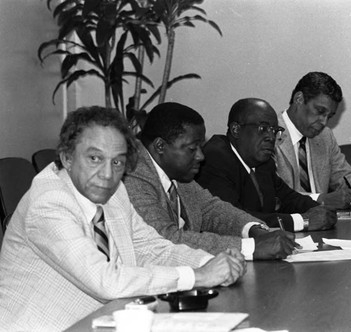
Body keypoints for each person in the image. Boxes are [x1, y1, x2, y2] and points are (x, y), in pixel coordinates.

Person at [0, 106, 246, 331]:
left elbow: (151, 248)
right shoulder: (48, 203)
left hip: (102, 321)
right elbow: (105, 280)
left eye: (117, 161)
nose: (107, 174)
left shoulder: (114, 191)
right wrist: (200, 275)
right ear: (67, 157)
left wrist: (212, 262)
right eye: (95, 158)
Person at [123, 102, 297, 260]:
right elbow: (165, 239)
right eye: (192, 148)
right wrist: (250, 247)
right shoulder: (134, 174)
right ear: (160, 146)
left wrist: (254, 230)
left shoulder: (178, 174)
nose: (200, 155)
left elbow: (211, 209)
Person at [196, 98, 337, 232]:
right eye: (263, 128)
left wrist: (322, 210)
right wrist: (303, 221)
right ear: (236, 130)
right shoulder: (214, 158)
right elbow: (234, 218)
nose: (271, 137)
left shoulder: (263, 162)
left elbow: (289, 198)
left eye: (274, 130)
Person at [275, 72, 351, 208]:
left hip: (322, 222)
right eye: (319, 111)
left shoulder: (324, 136)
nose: (324, 122)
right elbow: (275, 193)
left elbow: (343, 172)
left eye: (329, 116)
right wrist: (321, 199)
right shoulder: (270, 134)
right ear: (299, 99)